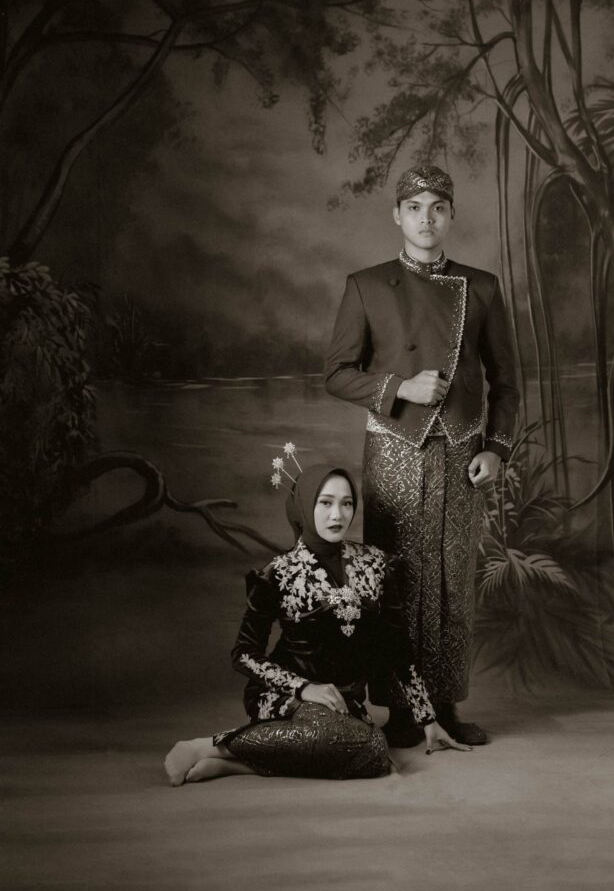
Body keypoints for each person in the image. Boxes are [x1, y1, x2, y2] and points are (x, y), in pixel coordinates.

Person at [324, 165, 519, 748]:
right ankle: (401, 710)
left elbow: (508, 381)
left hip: (462, 448)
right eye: (414, 207)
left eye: (437, 207)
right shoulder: (365, 285)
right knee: (396, 578)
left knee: (453, 579)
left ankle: (447, 705)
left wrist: (497, 448)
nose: (426, 218)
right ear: (397, 215)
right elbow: (336, 373)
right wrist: (400, 388)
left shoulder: (482, 286)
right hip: (395, 445)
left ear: (452, 215)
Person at [164, 464, 470, 785]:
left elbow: (396, 645)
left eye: (346, 503)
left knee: (374, 754)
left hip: (344, 703)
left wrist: (427, 718)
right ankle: (209, 746)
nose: (337, 514)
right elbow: (243, 653)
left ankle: (236, 765)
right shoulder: (278, 573)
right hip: (285, 696)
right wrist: (304, 688)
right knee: (364, 745)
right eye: (325, 503)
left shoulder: (376, 564)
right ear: (305, 506)